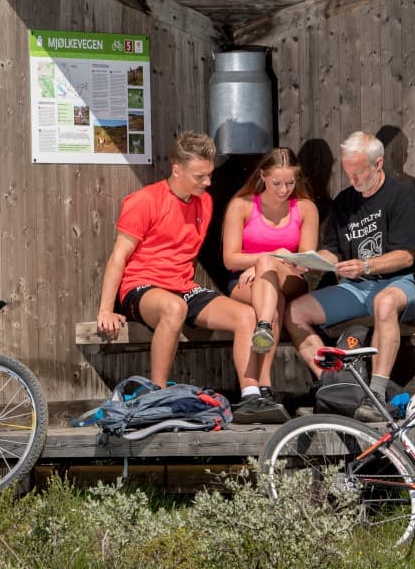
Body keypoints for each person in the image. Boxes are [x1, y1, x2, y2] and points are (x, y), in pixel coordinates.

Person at [95, 131, 289, 423]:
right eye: (200, 176)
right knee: (175, 308)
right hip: (141, 287)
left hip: (183, 287)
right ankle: (156, 396)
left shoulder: (205, 203)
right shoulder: (144, 200)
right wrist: (106, 309)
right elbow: (118, 258)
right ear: (177, 170)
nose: (208, 182)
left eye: (209, 175)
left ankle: (251, 397)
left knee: (246, 315)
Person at [283, 130, 415, 422]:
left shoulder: (403, 197)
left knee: (385, 304)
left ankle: (374, 396)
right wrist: (308, 263)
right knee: (294, 312)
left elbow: (407, 256)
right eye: (348, 172)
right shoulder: (343, 202)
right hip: (356, 288)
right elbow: (333, 252)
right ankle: (336, 385)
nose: (353, 181)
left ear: (378, 165)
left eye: (359, 173)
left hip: (403, 283)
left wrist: (365, 266)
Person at [220, 148, 319, 417]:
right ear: (263, 176)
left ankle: (262, 329)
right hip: (246, 281)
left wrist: (269, 262)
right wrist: (262, 261)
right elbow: (230, 258)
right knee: (273, 305)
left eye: (290, 183)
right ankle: (264, 389)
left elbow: (307, 260)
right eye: (277, 183)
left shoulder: (306, 208)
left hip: (291, 278)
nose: (284, 189)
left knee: (267, 271)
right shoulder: (241, 205)